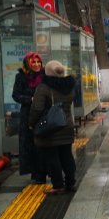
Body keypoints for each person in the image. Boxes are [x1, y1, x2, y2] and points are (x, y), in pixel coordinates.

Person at [28, 60, 76, 195]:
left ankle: (58, 185)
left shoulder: (44, 87)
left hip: (51, 128)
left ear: (47, 73)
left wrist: (31, 124)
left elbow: (37, 108)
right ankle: (70, 183)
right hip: (66, 125)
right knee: (67, 155)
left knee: (52, 157)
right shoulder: (70, 86)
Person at [12, 52, 47, 184]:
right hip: (27, 115)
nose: (37, 65)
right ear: (28, 63)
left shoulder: (45, 76)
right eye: (34, 62)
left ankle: (42, 172)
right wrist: (30, 99)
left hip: (43, 114)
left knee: (42, 143)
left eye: (39, 62)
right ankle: (35, 172)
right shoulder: (20, 77)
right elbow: (15, 95)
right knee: (30, 144)